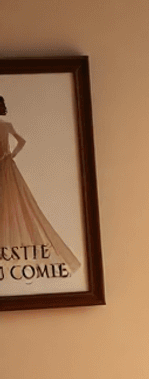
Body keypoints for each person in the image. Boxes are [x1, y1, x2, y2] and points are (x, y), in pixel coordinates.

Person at [0, 95, 81, 275]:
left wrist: (10, 156)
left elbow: (22, 142)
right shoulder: (6, 126)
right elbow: (21, 142)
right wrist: (10, 155)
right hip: (6, 167)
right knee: (13, 206)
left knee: (12, 206)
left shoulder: (6, 126)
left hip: (5, 168)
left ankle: (9, 252)